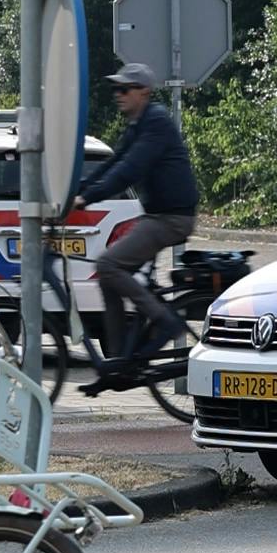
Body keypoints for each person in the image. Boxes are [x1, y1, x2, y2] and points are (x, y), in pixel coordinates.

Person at [73, 62, 199, 377]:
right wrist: (78, 191)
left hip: (171, 219)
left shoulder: (155, 122)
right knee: (109, 274)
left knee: (107, 265)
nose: (118, 95)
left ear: (144, 92)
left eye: (124, 89)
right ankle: (119, 360)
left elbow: (130, 170)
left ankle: (165, 322)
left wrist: (88, 199)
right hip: (156, 216)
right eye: (116, 89)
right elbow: (114, 162)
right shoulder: (138, 124)